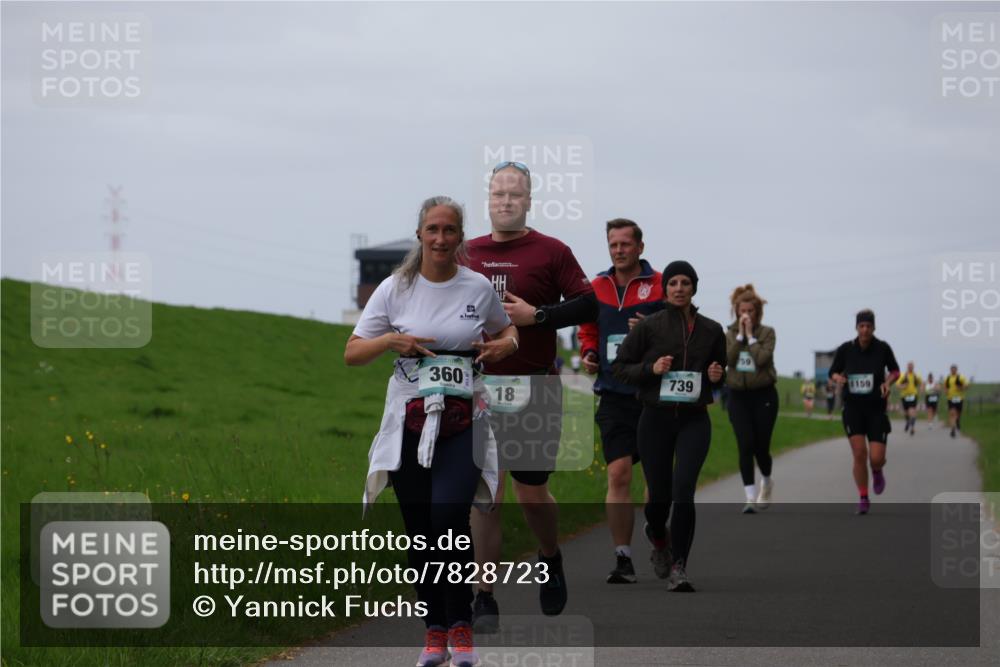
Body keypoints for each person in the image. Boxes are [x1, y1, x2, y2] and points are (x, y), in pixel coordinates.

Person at [345, 196, 519, 667]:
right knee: (420, 533)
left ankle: (461, 630)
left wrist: (503, 348)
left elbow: (509, 333)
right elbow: (352, 352)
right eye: (432, 230)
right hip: (408, 421)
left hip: (463, 422)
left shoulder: (477, 287)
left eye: (449, 230)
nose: (440, 238)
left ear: (460, 237)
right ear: (420, 234)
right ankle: (434, 633)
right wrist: (389, 340)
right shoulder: (394, 289)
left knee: (449, 521)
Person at [463, 161, 592, 629]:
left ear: (529, 200)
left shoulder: (552, 251)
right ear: (488, 198)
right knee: (488, 495)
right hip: (478, 389)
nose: (505, 201)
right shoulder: (467, 253)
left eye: (514, 194)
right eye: (498, 194)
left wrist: (538, 318)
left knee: (531, 493)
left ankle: (549, 555)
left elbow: (587, 302)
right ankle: (484, 597)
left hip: (535, 385)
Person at [611, 261, 727, 592]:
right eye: (673, 282)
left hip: (694, 420)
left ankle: (680, 566)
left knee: (684, 491)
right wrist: (651, 368)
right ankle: (658, 536)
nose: (679, 288)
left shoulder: (712, 330)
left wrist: (718, 377)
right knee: (659, 499)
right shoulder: (649, 327)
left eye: (685, 283)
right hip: (655, 420)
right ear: (666, 289)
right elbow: (620, 367)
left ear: (694, 288)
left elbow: (721, 370)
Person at [828, 309, 900, 515]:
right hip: (853, 409)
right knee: (859, 454)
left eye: (868, 326)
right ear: (856, 328)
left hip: (876, 409)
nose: (865, 330)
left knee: (876, 458)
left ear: (874, 327)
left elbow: (895, 371)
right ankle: (863, 496)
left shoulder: (882, 348)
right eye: (861, 326)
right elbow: (833, 370)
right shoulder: (846, 349)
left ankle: (877, 470)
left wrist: (888, 382)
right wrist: (838, 378)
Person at [724, 284, 778, 514]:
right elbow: (729, 359)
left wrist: (750, 338)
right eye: (741, 311)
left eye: (750, 311)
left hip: (764, 395)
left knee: (760, 446)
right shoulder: (728, 333)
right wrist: (739, 336)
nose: (745, 315)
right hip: (737, 396)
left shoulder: (767, 333)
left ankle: (766, 479)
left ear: (757, 313)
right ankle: (749, 496)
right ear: (736, 311)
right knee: (745, 444)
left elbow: (763, 359)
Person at [895, 362, 922, 436]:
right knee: (906, 412)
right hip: (904, 396)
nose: (910, 368)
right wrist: (902, 386)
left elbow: (921, 383)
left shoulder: (916, 376)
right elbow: (897, 385)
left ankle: (912, 428)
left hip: (913, 395)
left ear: (913, 367)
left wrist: (920, 390)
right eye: (909, 366)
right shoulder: (903, 376)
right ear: (907, 367)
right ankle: (907, 422)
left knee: (912, 411)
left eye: (911, 366)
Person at [944, 365, 970, 438]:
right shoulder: (948, 378)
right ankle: (953, 429)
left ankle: (958, 420)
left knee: (958, 413)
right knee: (952, 413)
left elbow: (967, 386)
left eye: (954, 369)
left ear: (956, 370)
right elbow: (945, 387)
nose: (953, 371)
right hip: (951, 398)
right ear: (950, 370)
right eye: (952, 370)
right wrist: (946, 391)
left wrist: (961, 388)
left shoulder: (961, 377)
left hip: (959, 398)